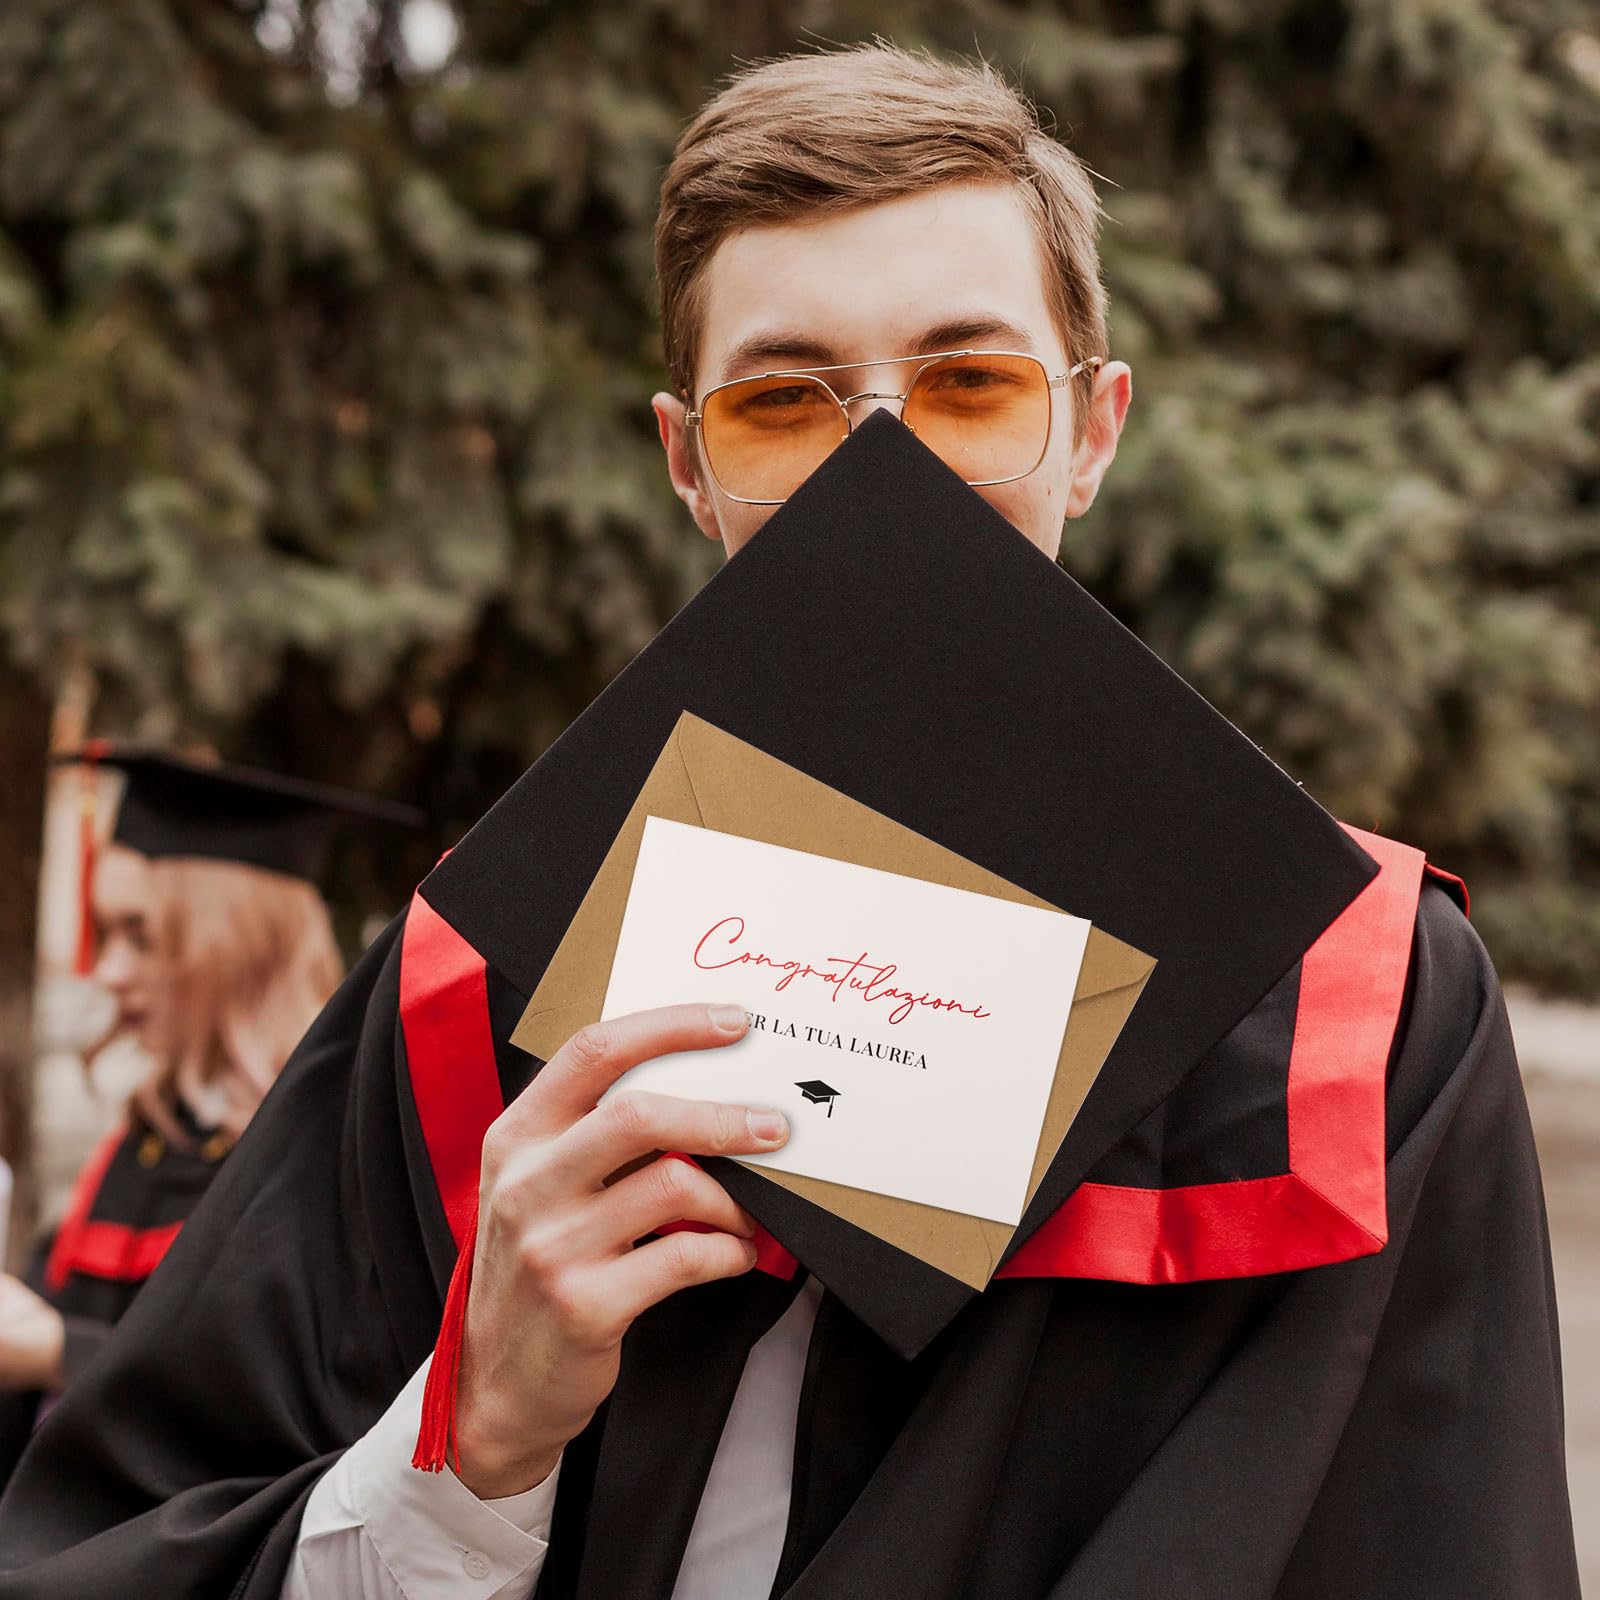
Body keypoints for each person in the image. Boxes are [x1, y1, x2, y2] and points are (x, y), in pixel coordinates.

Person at [0, 43, 1578, 1600]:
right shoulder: (478, 986)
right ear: (689, 465)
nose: (878, 463)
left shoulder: (1356, 1018)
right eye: (781, 403)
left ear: (1092, 431)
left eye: (969, 384)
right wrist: (470, 1444)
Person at [0, 747, 418, 1488]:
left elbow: (293, 1417)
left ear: (237, 946)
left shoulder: (332, 1157)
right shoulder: (144, 1142)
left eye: (142, 934)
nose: (109, 972)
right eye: (106, 933)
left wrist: (59, 1351)